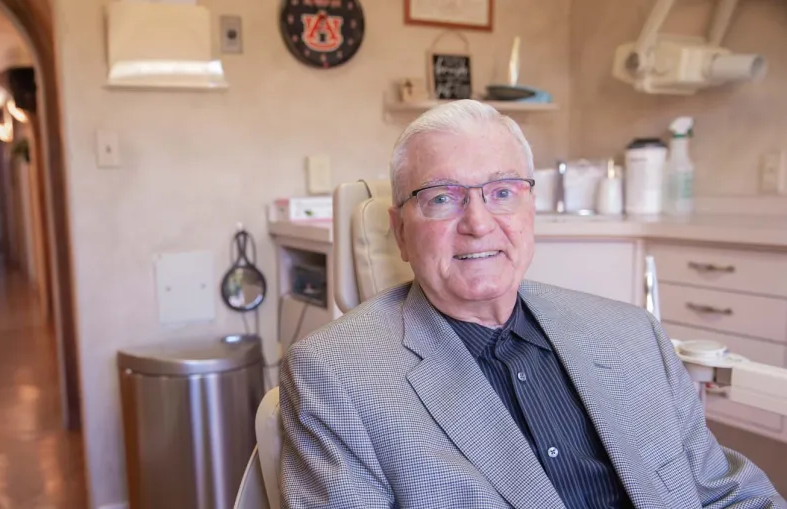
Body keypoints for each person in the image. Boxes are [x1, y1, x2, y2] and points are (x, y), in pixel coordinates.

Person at [278, 99, 783, 508]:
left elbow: (724, 492)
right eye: (442, 197)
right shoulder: (335, 378)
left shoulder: (631, 334)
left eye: (502, 192)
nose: (478, 222)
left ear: (530, 213)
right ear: (401, 234)